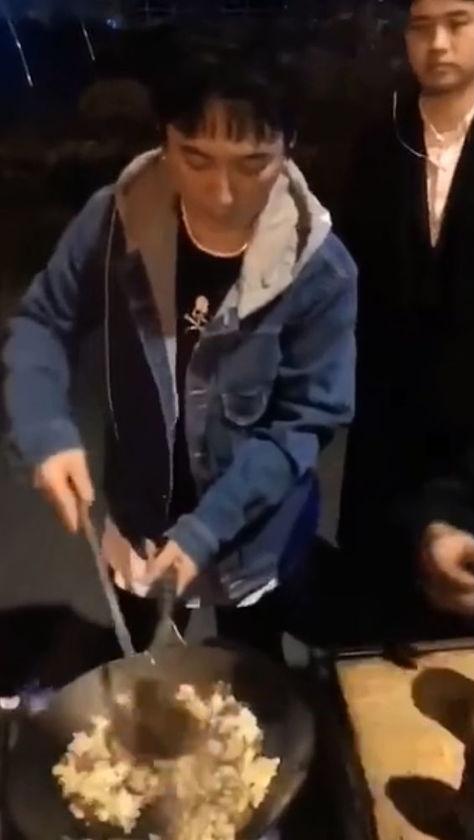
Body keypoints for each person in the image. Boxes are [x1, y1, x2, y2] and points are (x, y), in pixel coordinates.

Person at [3, 28, 356, 660]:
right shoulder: (113, 222)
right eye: (195, 158)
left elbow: (304, 421)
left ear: (289, 144)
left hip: (252, 532)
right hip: (140, 516)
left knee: (250, 669)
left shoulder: (321, 270)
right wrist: (46, 429)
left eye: (253, 164)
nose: (222, 194)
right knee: (139, 671)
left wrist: (207, 529)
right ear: (163, 138)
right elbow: (42, 322)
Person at [337, 0, 474, 639]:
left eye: (457, 23)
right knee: (382, 608)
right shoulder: (377, 139)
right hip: (389, 405)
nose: (438, 43)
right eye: (421, 27)